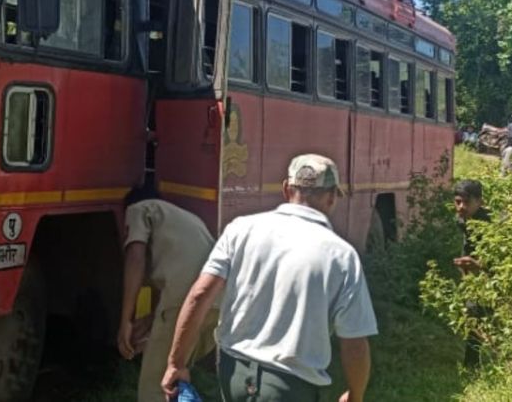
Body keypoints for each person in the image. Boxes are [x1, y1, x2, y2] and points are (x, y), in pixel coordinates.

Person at [161, 155, 375, 402]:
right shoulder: (342, 256)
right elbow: (354, 341)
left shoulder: (240, 229)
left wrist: (176, 363)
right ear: (331, 197)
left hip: (233, 374)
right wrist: (356, 395)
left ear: (286, 189)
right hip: (291, 388)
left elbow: (200, 295)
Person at [119, 183, 218, 402]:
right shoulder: (186, 218)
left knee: (154, 389)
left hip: (185, 303)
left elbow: (136, 257)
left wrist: (126, 321)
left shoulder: (138, 208)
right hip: (216, 305)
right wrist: (152, 322)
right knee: (174, 378)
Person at [453, 179, 491, 368]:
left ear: (480, 202)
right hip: (474, 280)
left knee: (483, 318)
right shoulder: (462, 220)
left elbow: (504, 261)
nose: (461, 207)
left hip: (494, 280)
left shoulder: (491, 224)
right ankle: (472, 365)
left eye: (466, 202)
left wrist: (479, 265)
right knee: (472, 316)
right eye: (458, 202)